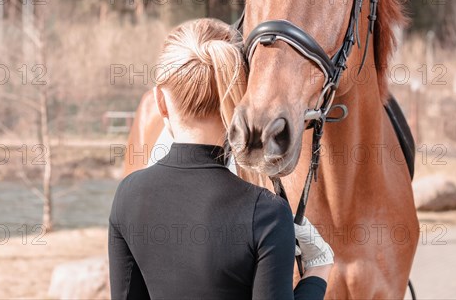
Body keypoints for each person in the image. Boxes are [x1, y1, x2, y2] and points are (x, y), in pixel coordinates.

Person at [109, 18, 334, 299]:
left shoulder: (127, 196)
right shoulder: (267, 215)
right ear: (240, 98)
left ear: (161, 103)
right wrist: (318, 269)